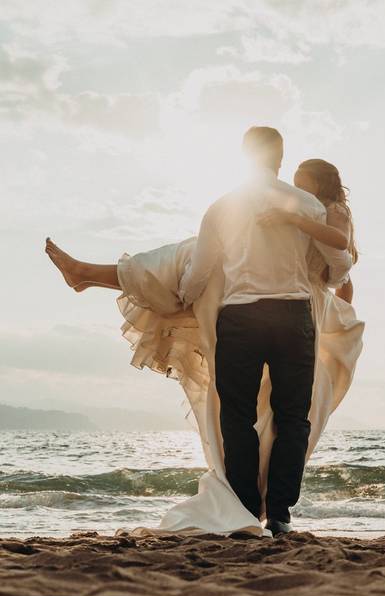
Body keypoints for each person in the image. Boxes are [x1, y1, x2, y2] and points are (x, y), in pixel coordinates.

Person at [45, 128, 364, 537]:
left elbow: (200, 274)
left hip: (241, 320)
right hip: (292, 318)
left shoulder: (222, 206)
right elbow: (339, 270)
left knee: (237, 417)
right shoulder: (306, 205)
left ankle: (245, 508)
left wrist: (183, 299)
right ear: (281, 158)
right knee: (292, 418)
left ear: (244, 155)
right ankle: (280, 514)